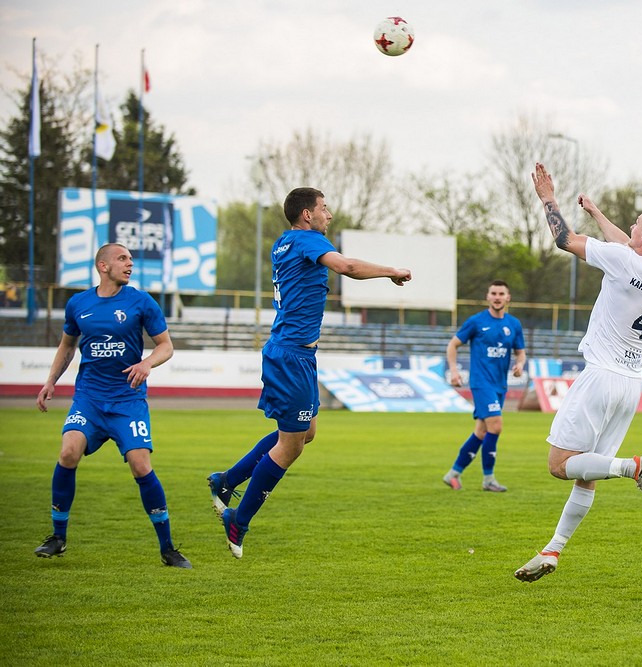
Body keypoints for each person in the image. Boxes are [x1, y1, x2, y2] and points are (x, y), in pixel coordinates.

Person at [208, 187, 411, 559]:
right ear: (306, 214)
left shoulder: (285, 242)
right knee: (291, 446)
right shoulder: (306, 241)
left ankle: (226, 481)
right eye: (324, 208)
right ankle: (239, 519)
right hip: (291, 357)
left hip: (295, 354)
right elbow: (346, 267)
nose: (329, 214)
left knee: (306, 434)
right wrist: (391, 271)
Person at [514, 163, 642, 583]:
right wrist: (597, 213)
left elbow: (563, 240)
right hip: (629, 383)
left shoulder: (625, 261)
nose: (629, 227)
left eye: (635, 224)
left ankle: (633, 466)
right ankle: (553, 550)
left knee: (559, 464)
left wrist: (548, 197)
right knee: (588, 472)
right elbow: (626, 244)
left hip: (601, 376)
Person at [34, 243, 190, 568]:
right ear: (103, 266)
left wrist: (147, 364)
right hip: (89, 399)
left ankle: (168, 548)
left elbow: (166, 346)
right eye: (122, 259)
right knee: (67, 452)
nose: (129, 264)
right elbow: (66, 347)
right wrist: (50, 381)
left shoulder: (140, 301)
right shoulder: (78, 304)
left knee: (141, 466)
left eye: (131, 260)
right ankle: (58, 537)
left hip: (127, 401)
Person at [442, 280, 526, 492]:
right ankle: (488, 480)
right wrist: (454, 370)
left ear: (508, 298)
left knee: (481, 432)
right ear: (488, 297)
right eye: (493, 293)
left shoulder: (514, 324)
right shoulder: (476, 321)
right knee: (496, 426)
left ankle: (454, 473)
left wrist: (519, 365)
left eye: (501, 293)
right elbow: (453, 345)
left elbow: (520, 351)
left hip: (500, 385)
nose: (497, 297)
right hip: (481, 383)